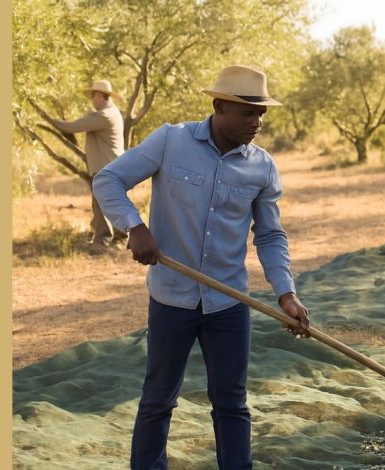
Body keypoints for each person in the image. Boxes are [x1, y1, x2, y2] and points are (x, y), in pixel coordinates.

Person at [92, 65, 311, 469]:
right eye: (247, 112)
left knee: (231, 403)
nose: (256, 122)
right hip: (171, 298)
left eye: (261, 113)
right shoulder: (171, 141)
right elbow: (108, 180)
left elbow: (269, 235)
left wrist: (286, 293)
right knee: (158, 398)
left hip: (229, 303)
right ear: (218, 107)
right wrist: (135, 227)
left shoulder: (261, 166)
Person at [51, 79, 128, 246]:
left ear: (100, 96)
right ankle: (117, 239)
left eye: (93, 96)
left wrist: (51, 120)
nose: (92, 100)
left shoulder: (103, 116)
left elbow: (71, 127)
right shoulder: (111, 113)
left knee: (102, 205)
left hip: (106, 167)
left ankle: (103, 241)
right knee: (111, 203)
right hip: (112, 166)